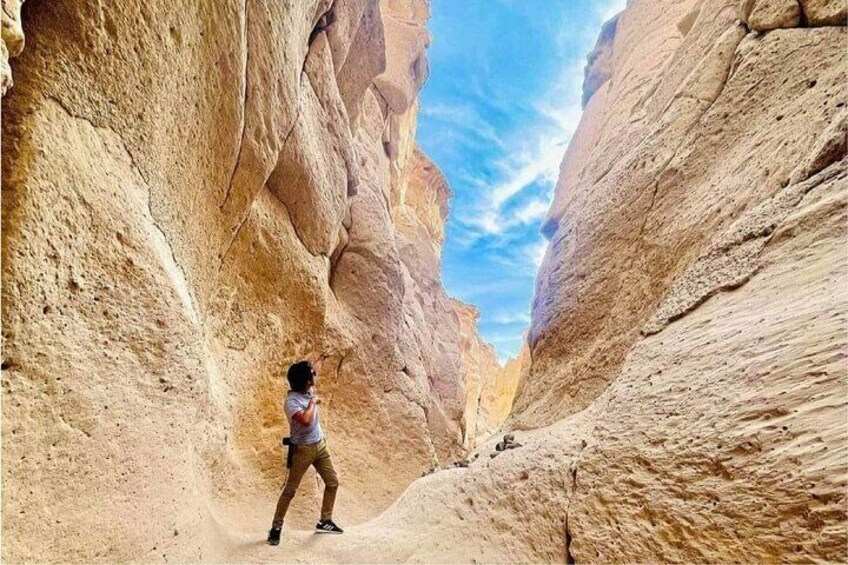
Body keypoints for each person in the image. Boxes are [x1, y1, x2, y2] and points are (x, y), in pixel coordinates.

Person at [267, 360, 343, 546]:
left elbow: (310, 367)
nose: (313, 378)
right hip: (303, 450)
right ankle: (276, 527)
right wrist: (313, 403)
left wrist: (317, 361)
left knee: (332, 483)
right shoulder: (291, 402)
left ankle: (325, 521)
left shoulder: (307, 389)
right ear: (305, 382)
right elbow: (306, 420)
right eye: (311, 377)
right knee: (290, 490)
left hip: (320, 445)